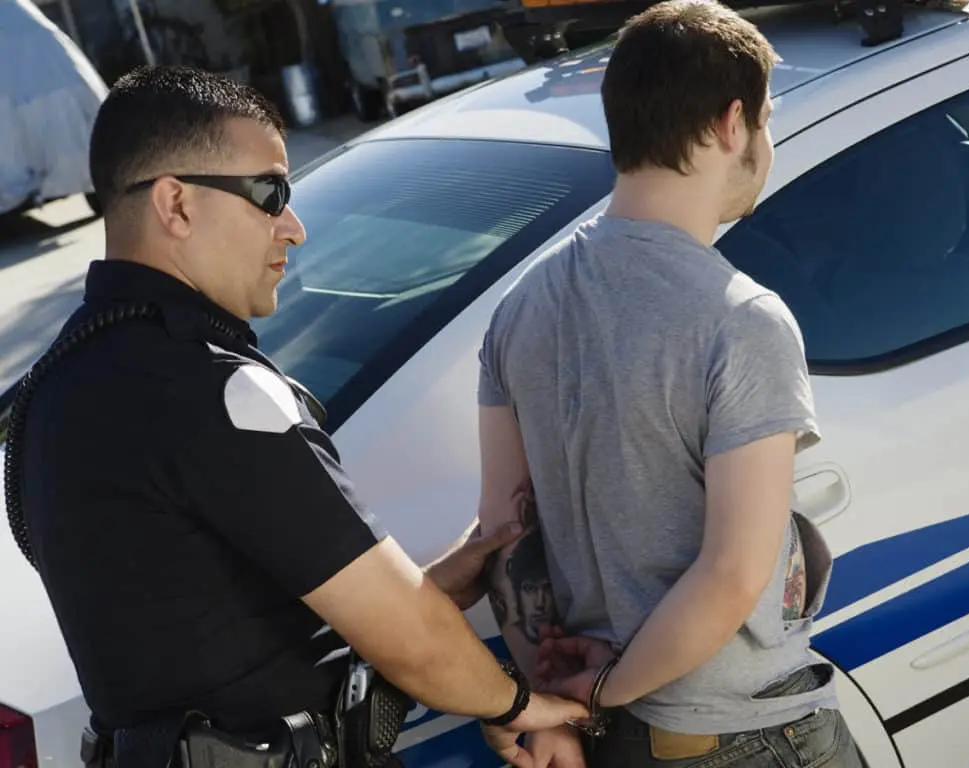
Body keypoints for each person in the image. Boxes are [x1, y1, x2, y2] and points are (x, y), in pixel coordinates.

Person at [3, 65, 587, 768]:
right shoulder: (214, 392)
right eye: (271, 193)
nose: (295, 227)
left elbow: (204, 621)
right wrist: (519, 704)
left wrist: (428, 591)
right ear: (176, 205)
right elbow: (413, 643)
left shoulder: (54, 387)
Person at [474, 1, 864, 766]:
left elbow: (503, 539)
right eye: (765, 122)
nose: (766, 142)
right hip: (743, 732)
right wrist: (597, 690)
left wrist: (551, 700)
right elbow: (729, 576)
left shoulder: (518, 311)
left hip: (622, 743)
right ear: (729, 125)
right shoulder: (742, 319)